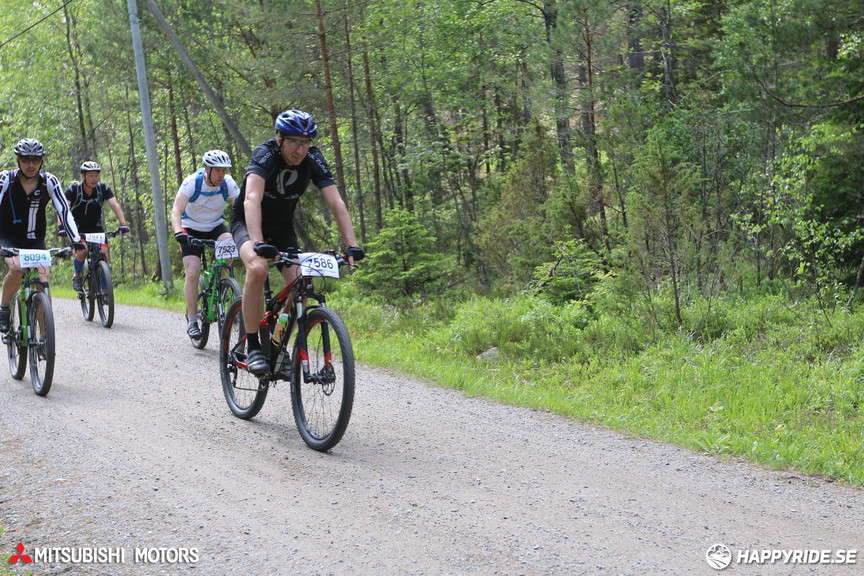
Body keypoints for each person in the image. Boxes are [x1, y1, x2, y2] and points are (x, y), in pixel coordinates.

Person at [231, 109, 364, 375]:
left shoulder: (314, 159)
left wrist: (351, 244)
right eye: (294, 141)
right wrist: (258, 243)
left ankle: (278, 343)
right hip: (247, 222)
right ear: (280, 139)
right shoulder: (265, 154)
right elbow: (251, 199)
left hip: (282, 228)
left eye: (306, 142)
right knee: (257, 268)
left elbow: (336, 202)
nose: (301, 149)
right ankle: (253, 346)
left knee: (301, 280)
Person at [0, 139, 83, 332]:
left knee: (43, 281)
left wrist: (76, 239)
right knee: (17, 269)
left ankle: (45, 336)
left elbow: (64, 210)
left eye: (35, 160)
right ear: (18, 161)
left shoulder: (49, 182)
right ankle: (4, 308)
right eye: (26, 160)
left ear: (41, 162)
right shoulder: (5, 179)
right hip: (7, 237)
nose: (31, 165)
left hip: (35, 239)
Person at [172, 150, 241, 337]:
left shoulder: (228, 183)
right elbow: (176, 211)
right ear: (207, 169)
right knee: (193, 270)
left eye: (224, 170)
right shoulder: (192, 182)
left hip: (215, 226)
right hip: (190, 228)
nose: (221, 175)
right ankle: (193, 320)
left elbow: (241, 208)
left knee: (229, 253)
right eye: (217, 170)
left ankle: (223, 286)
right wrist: (179, 232)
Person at [64, 161, 129, 292]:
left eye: (96, 176)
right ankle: (77, 275)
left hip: (96, 228)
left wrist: (123, 224)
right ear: (83, 176)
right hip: (77, 228)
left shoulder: (103, 188)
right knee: (82, 251)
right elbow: (63, 209)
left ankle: (105, 291)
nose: (94, 179)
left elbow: (115, 205)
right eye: (90, 176)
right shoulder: (74, 190)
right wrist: (62, 227)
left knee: (103, 254)